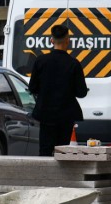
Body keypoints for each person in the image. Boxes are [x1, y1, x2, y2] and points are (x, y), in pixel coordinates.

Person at [28, 24, 89, 156]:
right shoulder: (74, 64)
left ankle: (45, 176)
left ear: (51, 40)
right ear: (68, 40)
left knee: (44, 151)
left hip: (45, 114)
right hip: (66, 116)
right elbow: (81, 93)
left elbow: (32, 87)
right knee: (62, 152)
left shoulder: (40, 62)